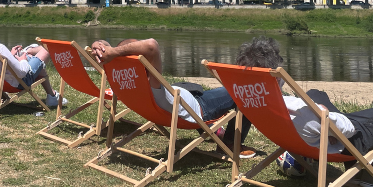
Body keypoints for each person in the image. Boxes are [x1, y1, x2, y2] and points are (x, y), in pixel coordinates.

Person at [232, 36, 373, 187]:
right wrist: (327, 113)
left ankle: (314, 145)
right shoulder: (299, 109)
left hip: (298, 138)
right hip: (348, 140)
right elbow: (348, 128)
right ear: (277, 75)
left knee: (315, 94)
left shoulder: (252, 102)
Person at [90, 38, 257, 158]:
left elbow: (114, 51)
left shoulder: (127, 82)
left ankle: (214, 129)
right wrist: (113, 50)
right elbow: (151, 45)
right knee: (245, 89)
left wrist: (102, 45)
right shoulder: (152, 84)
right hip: (199, 109)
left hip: (182, 101)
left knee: (193, 88)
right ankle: (228, 144)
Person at [0, 12, 66, 108]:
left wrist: (10, 56)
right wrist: (23, 60)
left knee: (29, 55)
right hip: (15, 83)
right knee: (46, 48)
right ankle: (52, 95)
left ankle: (52, 95)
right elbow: (22, 73)